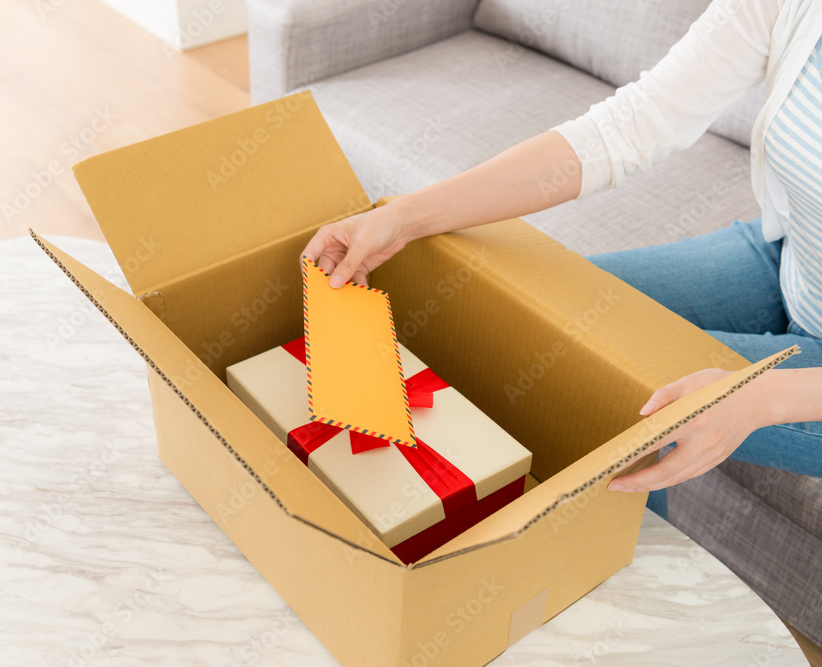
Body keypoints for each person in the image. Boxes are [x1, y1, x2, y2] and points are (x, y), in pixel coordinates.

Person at [301, 0, 822, 517]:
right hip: (791, 259)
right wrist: (407, 217)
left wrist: (762, 398)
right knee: (544, 323)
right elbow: (627, 126)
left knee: (611, 391)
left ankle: (607, 577)